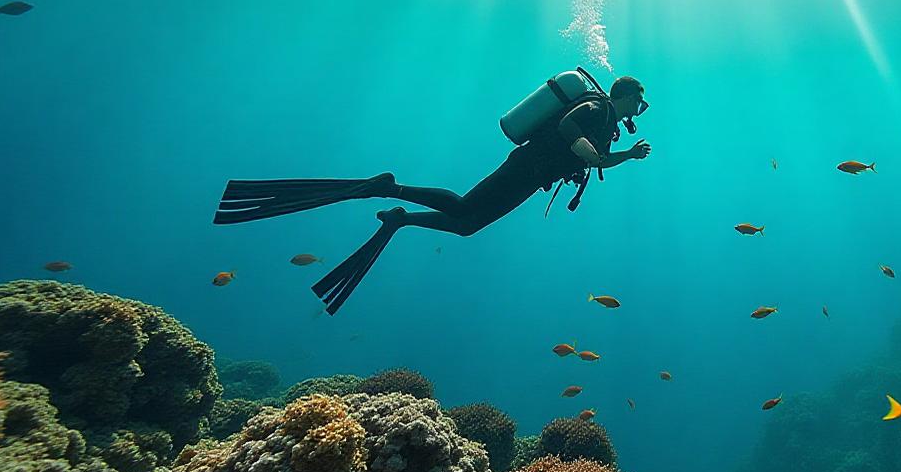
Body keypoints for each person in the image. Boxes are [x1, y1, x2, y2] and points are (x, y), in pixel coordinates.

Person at [215, 75, 652, 313]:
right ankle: (389, 187)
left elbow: (597, 161)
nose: (641, 109)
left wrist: (628, 155)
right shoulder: (596, 108)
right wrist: (589, 152)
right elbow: (567, 128)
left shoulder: (608, 125)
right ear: (626, 94)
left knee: (467, 225)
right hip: (526, 168)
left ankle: (401, 217)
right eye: (641, 101)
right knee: (464, 209)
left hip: (532, 176)